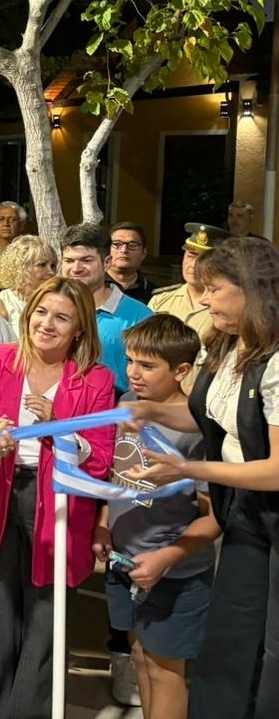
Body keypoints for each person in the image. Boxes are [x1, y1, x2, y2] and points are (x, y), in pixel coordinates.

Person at [124, 236, 279, 718]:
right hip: (246, 517)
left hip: (270, 510)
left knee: (272, 652)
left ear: (251, 290)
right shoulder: (228, 345)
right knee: (228, 643)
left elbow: (275, 470)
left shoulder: (275, 362)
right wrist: (155, 411)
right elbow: (213, 419)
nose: (204, 297)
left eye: (213, 287)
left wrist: (188, 468)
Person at [0, 276, 116, 719]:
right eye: (41, 313)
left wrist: (61, 423)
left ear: (79, 329)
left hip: (58, 502)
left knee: (45, 613)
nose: (47, 324)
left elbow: (102, 455)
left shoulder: (96, 380)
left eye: (62, 318)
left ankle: (27, 712)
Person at [90, 315, 216, 719]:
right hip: (126, 560)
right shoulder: (126, 404)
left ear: (181, 370)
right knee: (141, 654)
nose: (133, 373)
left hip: (175, 570)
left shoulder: (199, 430)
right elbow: (119, 476)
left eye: (147, 365)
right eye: (129, 361)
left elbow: (215, 518)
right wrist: (104, 523)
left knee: (166, 670)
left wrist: (167, 557)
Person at [60, 222, 154, 393]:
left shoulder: (141, 317)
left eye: (86, 260)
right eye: (69, 261)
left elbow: (151, 382)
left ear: (107, 262)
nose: (76, 268)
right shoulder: (49, 311)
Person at [147, 223, 224, 342]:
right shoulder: (160, 300)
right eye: (191, 256)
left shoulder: (226, 307)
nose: (193, 265)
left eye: (203, 259)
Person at [0, 234, 59, 338]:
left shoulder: (58, 302)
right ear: (21, 267)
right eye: (42, 264)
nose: (51, 272)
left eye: (53, 266)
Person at [108, 222, 158, 304]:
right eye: (117, 244)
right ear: (106, 250)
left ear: (143, 253)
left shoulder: (155, 295)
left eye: (132, 245)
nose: (124, 250)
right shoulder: (91, 286)